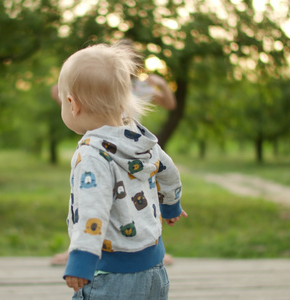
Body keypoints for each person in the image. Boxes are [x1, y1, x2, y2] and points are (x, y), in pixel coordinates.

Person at [57, 42, 187, 299]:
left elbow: (92, 208)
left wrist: (82, 259)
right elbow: (169, 171)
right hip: (155, 270)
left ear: (73, 104)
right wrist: (171, 205)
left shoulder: (92, 154)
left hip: (111, 277)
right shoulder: (142, 139)